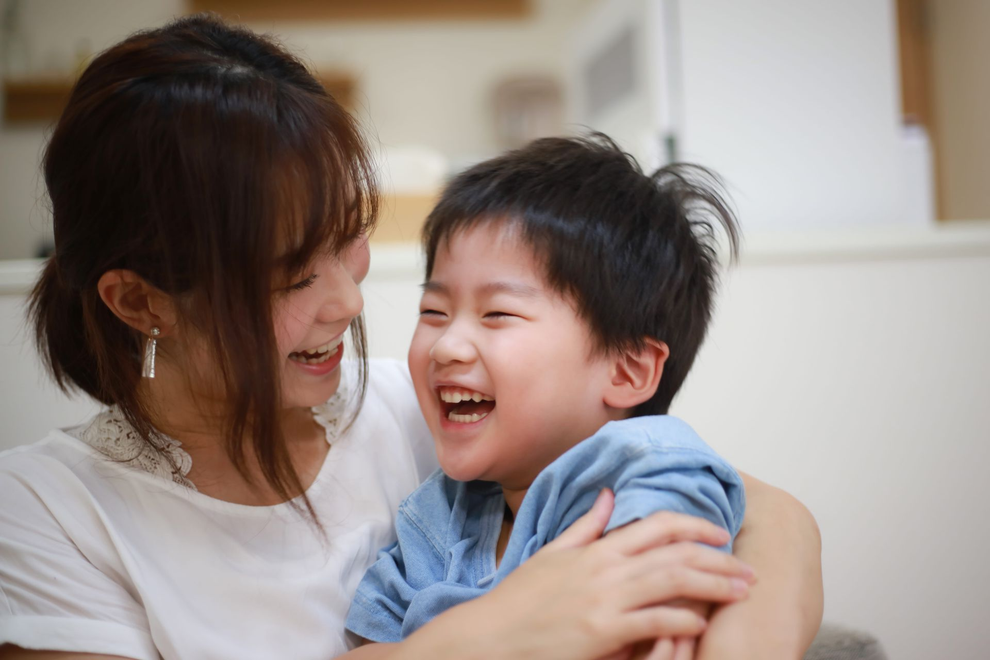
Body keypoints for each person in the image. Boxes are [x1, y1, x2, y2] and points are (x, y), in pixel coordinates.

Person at [0, 14, 822, 660]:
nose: (348, 300)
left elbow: (765, 513)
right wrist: (492, 637)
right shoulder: (45, 513)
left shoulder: (423, 412)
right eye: (294, 275)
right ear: (141, 301)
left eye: (349, 239)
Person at [346, 137, 746, 658]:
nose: (446, 345)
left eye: (498, 314)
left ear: (627, 371)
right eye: (433, 312)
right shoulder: (438, 513)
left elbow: (654, 628)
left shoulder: (649, 469)